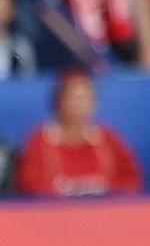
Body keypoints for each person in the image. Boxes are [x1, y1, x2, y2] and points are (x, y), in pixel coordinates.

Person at [12, 72, 140, 197]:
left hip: (104, 212)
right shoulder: (40, 139)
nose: (80, 105)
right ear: (58, 101)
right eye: (74, 97)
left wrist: (108, 194)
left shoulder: (107, 137)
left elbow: (130, 178)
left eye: (86, 98)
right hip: (55, 214)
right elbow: (28, 184)